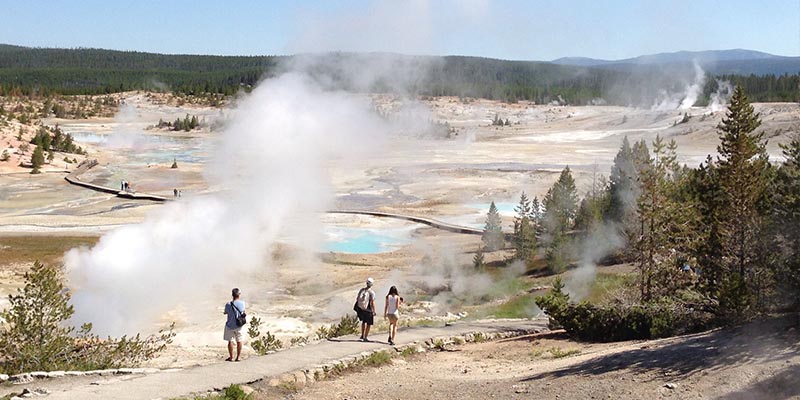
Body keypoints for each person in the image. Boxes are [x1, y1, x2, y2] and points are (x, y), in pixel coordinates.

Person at [223, 288, 246, 361]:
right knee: (239, 340)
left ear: (232, 295)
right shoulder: (242, 303)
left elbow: (226, 312)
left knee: (230, 341)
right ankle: (238, 357)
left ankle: (231, 357)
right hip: (239, 325)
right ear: (238, 295)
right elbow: (243, 311)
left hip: (230, 325)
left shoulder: (228, 304)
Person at [354, 278, 376, 342]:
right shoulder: (371, 292)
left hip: (362, 308)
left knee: (363, 322)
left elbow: (357, 298)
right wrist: (374, 311)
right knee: (369, 324)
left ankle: (362, 335)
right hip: (368, 309)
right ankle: (365, 337)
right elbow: (372, 302)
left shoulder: (362, 290)